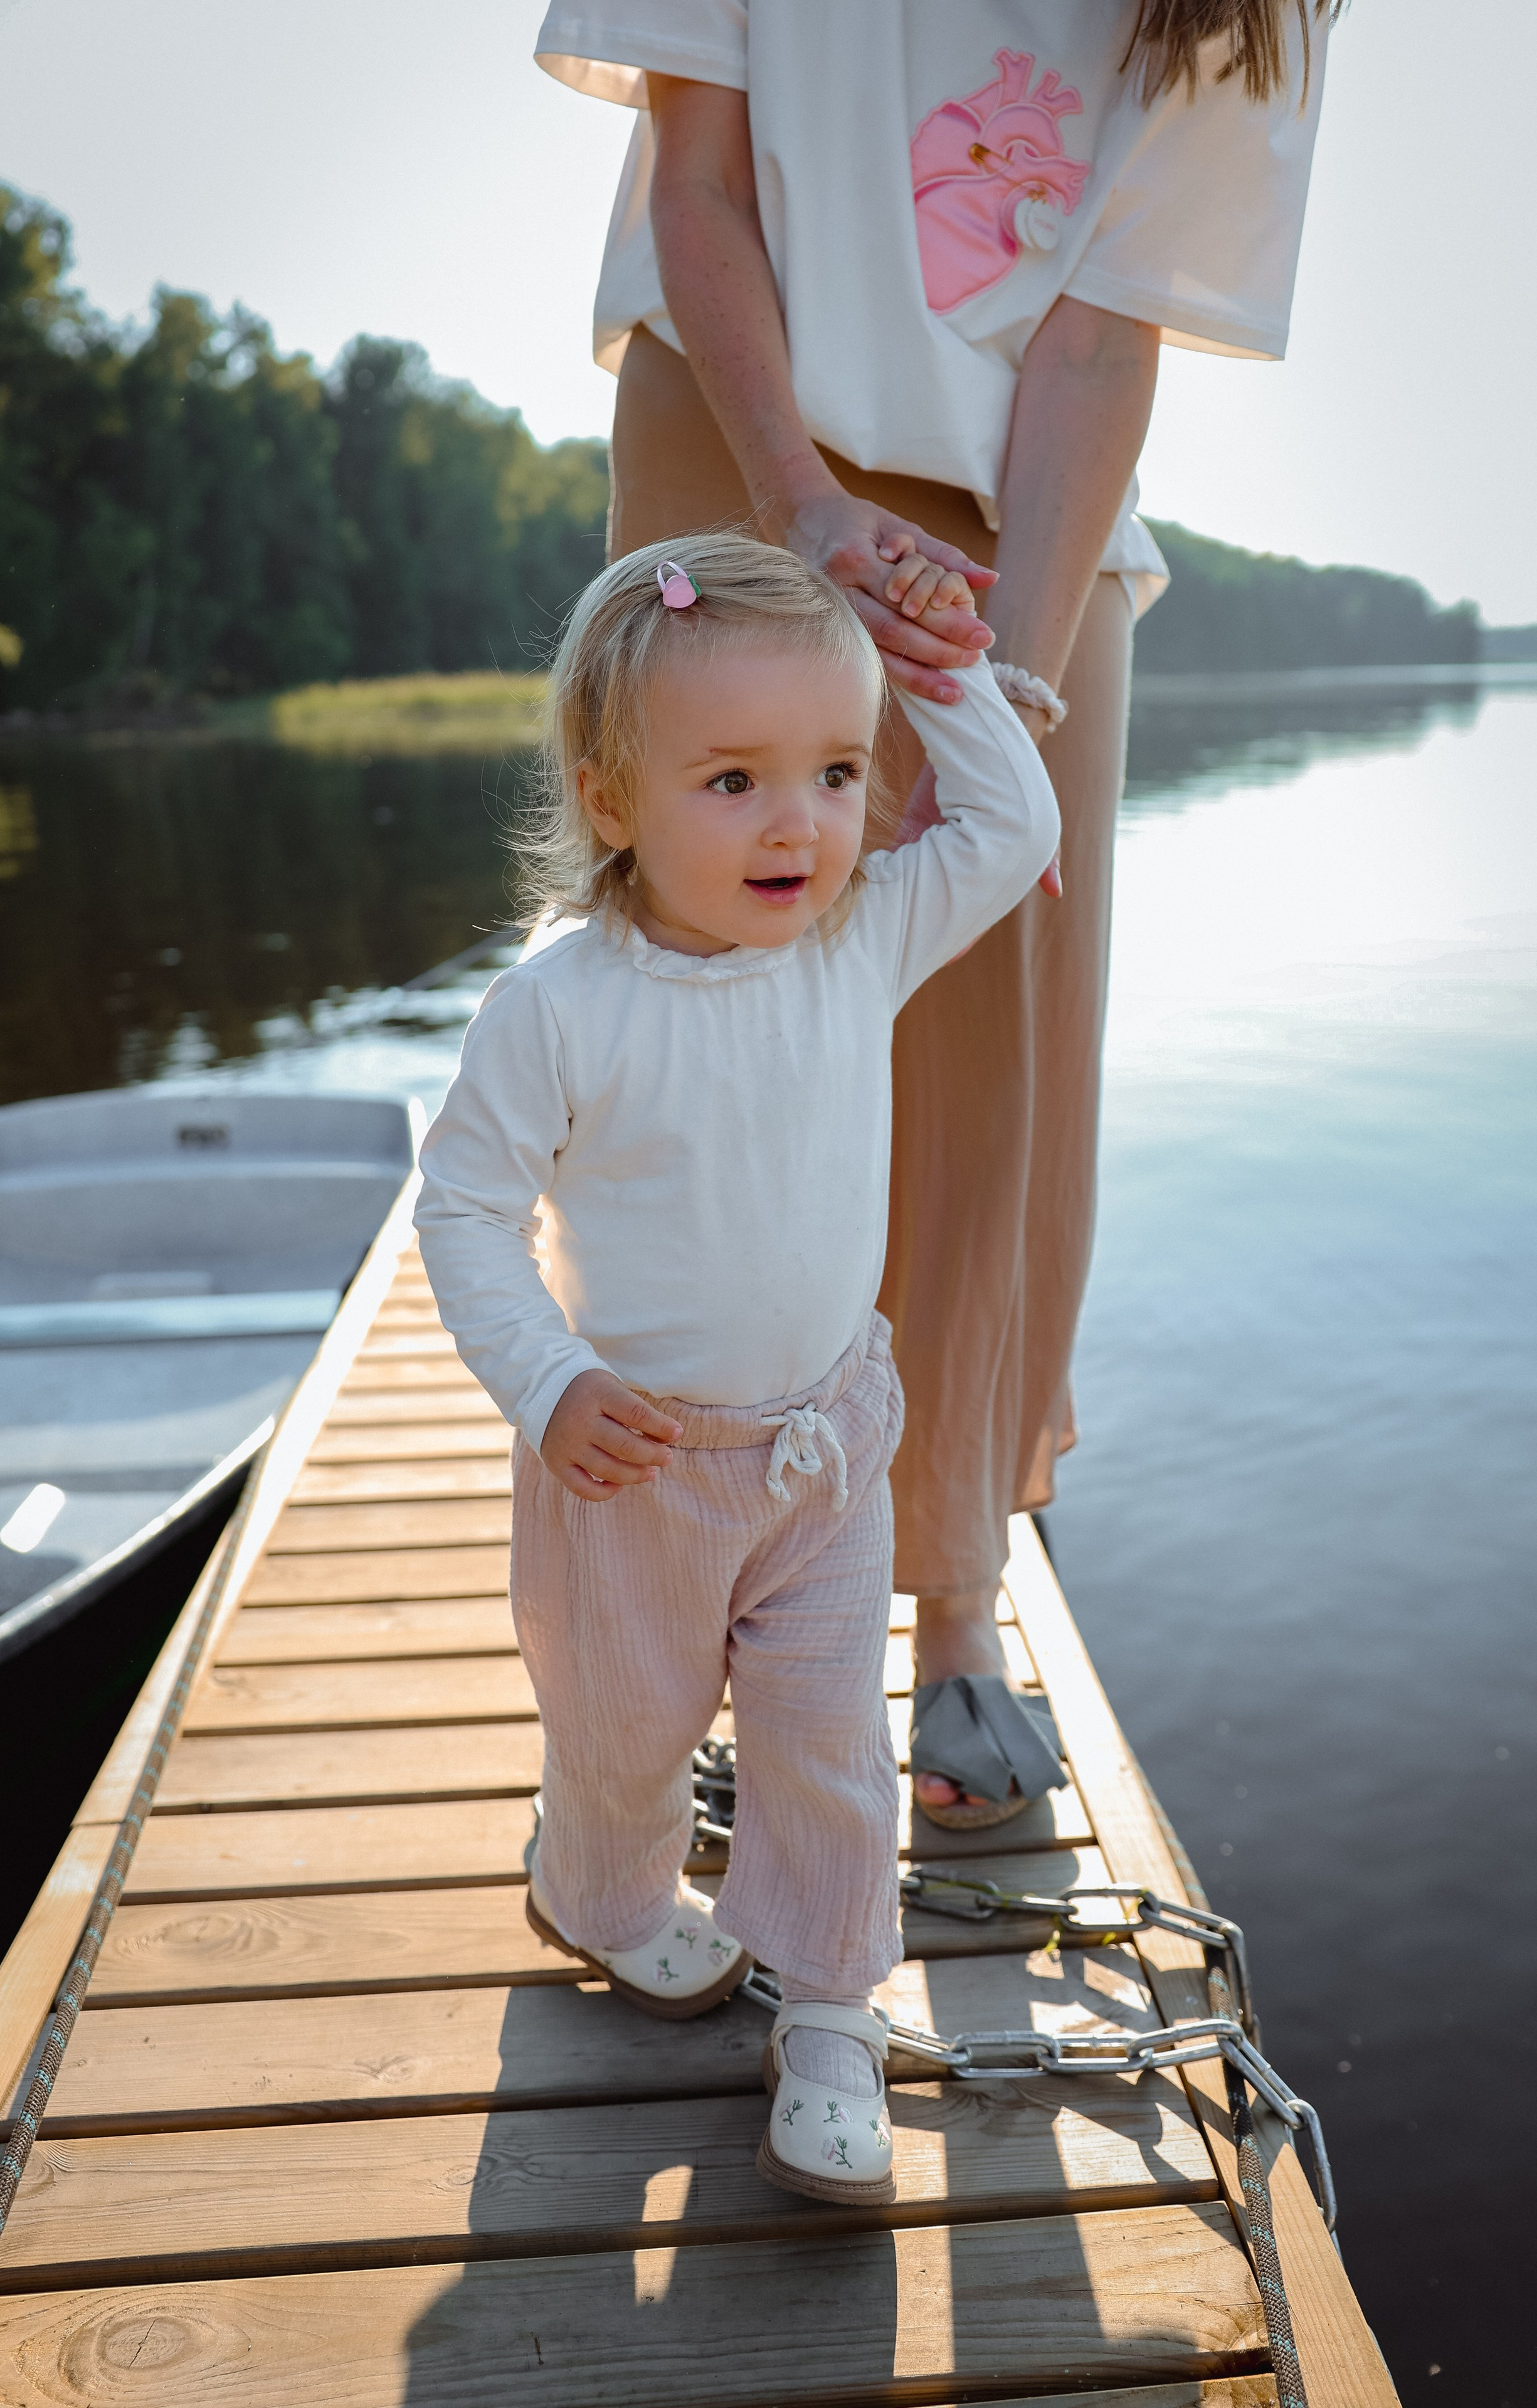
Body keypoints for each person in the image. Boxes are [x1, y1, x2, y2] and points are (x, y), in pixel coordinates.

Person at [533, 1, 1333, 1825]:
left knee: (992, 1037)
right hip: (742, 435)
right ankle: (683, 1592)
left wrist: (1011, 708)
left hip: (1026, 520)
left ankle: (957, 1602)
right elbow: (702, 179)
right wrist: (804, 507)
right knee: (700, 1036)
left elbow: (1102, 318)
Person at [416, 532, 1059, 2202]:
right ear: (614, 801)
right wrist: (548, 1381)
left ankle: (834, 2014)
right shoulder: (556, 1010)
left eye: (838, 773)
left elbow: (1012, 828)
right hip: (632, 1469)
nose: (802, 823)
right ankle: (605, 1892)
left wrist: (945, 674)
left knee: (828, 1743)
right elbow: (469, 1211)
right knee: (623, 1738)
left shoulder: (857, 943)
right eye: (736, 780)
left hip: (825, 1447)